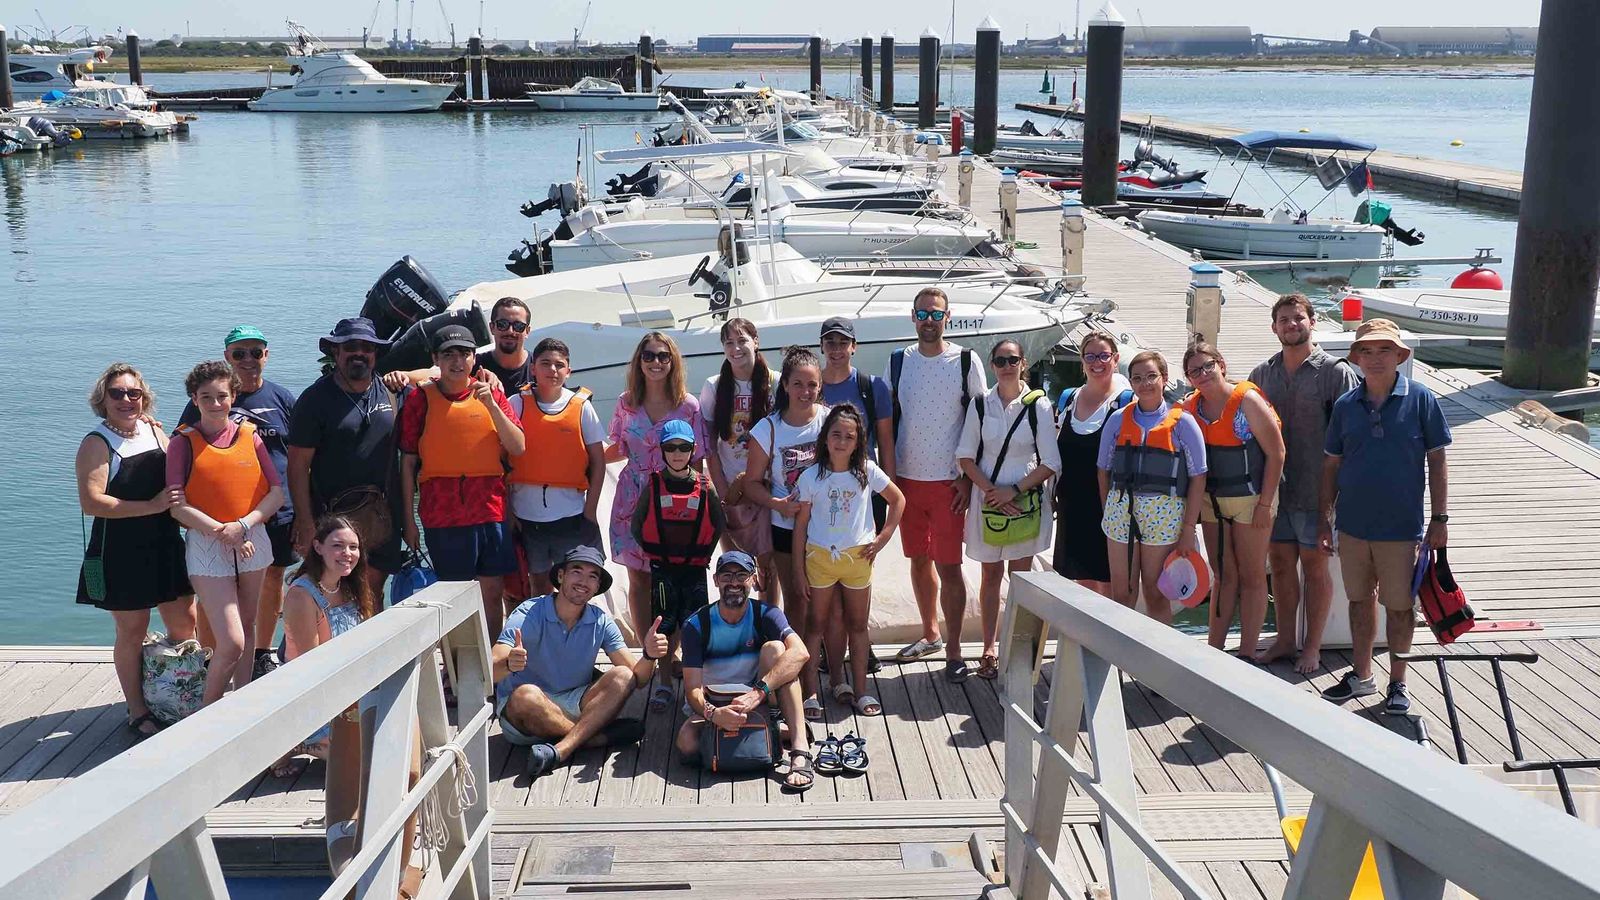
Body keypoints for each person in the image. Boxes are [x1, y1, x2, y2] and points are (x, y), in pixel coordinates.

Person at [1319, 319, 1451, 715]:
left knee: (1399, 607)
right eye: (1367, 351)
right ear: (1356, 358)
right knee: (1359, 601)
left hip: (1401, 528)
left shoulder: (1423, 399)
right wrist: (1325, 519)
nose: (1375, 358)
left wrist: (1440, 518)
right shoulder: (1345, 406)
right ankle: (1361, 676)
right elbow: (1331, 466)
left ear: (1399, 356)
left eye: (1384, 350)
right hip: (1354, 526)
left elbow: (1438, 460)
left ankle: (1398, 682)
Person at [75, 364, 196, 740]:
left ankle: (177, 691)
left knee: (184, 623)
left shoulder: (155, 430)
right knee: (132, 630)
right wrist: (153, 506)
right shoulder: (96, 443)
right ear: (103, 399)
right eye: (117, 393)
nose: (126, 400)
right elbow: (92, 502)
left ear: (144, 397)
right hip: (119, 549)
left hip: (164, 542)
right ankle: (138, 708)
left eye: (133, 393)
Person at [1249, 294, 1361, 673]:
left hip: (1319, 492)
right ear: (1273, 327)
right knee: (1280, 566)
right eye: (1283, 320)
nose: (1291, 325)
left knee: (1315, 569)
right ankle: (1284, 639)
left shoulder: (1334, 371)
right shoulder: (1261, 374)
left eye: (1298, 318)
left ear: (1312, 322)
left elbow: (1351, 435)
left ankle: (1311, 647)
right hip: (1276, 492)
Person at [179, 325, 298, 680]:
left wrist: (306, 511)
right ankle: (211, 656)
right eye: (239, 353)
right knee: (214, 588)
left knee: (273, 578)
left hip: (273, 509)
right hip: (218, 519)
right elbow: (183, 444)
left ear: (266, 355)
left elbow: (303, 454)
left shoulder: (282, 398)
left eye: (255, 352)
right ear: (227, 357)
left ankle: (260, 651)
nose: (248, 360)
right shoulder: (209, 398)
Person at [884, 287, 987, 679]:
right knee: (918, 560)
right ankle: (930, 634)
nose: (929, 321)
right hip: (908, 482)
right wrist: (889, 479)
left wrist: (967, 478)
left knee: (949, 566)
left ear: (949, 316)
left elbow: (980, 421)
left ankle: (956, 650)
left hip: (950, 483)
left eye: (936, 314)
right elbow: (888, 422)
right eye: (922, 314)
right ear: (913, 317)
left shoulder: (965, 360)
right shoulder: (897, 362)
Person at [397, 325, 526, 638]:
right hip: (443, 514)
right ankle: (456, 668)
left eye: (464, 354)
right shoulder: (420, 399)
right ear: (436, 359)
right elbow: (408, 462)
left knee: (491, 592)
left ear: (474, 358)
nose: (457, 361)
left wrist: (492, 405)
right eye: (449, 354)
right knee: (452, 597)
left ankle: (490, 661)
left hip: (489, 510)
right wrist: (408, 521)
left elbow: (518, 446)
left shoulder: (492, 392)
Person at [494, 546, 666, 779]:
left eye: (592, 576)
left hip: (576, 703)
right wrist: (508, 664)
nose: (583, 581)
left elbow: (638, 678)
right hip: (526, 716)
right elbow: (490, 670)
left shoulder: (600, 621)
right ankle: (597, 738)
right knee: (526, 695)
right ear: (561, 576)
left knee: (623, 675)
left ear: (597, 587)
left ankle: (561, 750)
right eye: (577, 571)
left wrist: (649, 655)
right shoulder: (529, 612)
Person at [956, 340, 1061, 679]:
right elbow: (966, 456)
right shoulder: (980, 405)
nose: (1006, 365)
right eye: (1000, 360)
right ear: (991, 365)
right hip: (988, 500)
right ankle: (989, 647)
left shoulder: (1038, 405)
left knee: (1021, 577)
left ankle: (1017, 646)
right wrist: (991, 491)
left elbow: (1051, 461)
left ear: (1023, 363)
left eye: (1012, 359)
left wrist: (1012, 491)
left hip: (1024, 499)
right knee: (990, 576)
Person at [792, 405, 904, 716]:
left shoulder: (867, 470)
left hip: (858, 558)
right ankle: (811, 693)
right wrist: (798, 572)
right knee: (816, 625)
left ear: (858, 441)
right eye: (836, 434)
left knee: (858, 624)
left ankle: (861, 691)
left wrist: (882, 538)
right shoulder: (810, 476)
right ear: (825, 438)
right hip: (820, 558)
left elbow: (898, 500)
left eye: (849, 436)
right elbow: (800, 527)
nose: (842, 441)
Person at [675, 550, 814, 792]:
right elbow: (692, 691)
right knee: (686, 743)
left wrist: (757, 693)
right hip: (715, 703)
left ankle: (800, 750)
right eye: (727, 576)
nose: (734, 583)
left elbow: (801, 652)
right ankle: (775, 731)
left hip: (758, 699)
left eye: (742, 575)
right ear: (716, 580)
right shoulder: (696, 625)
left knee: (779, 651)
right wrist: (715, 714)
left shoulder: (766, 613)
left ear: (753, 579)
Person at [287, 318, 407, 596]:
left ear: (375, 355)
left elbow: (440, 377)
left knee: (373, 589)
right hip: (331, 516)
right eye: (350, 347)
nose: (359, 353)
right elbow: (297, 465)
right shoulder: (315, 399)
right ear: (336, 353)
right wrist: (305, 522)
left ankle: (372, 640)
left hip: (383, 514)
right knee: (332, 590)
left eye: (367, 348)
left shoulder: (392, 391)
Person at [1181, 343, 1286, 660]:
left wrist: (1266, 504)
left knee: (1253, 575)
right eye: (1194, 371)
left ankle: (1247, 653)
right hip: (1213, 501)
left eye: (1207, 366)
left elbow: (1277, 453)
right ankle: (1215, 650)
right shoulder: (1189, 409)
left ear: (1221, 364)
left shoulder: (1248, 401)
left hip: (1252, 499)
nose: (1203, 375)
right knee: (1223, 574)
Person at [606, 332, 710, 643]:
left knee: (672, 578)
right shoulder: (627, 402)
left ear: (673, 361)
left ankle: (673, 650)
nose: (655, 362)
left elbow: (698, 460)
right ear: (639, 361)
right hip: (632, 498)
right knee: (639, 580)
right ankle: (647, 651)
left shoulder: (687, 405)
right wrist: (579, 458)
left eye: (663, 356)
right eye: (649, 355)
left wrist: (698, 505)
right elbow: (618, 447)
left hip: (672, 500)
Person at [1096, 351, 1207, 625]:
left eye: (1151, 377)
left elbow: (1198, 477)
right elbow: (1103, 469)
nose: (1144, 383)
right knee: (1122, 594)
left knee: (1156, 593)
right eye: (1137, 378)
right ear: (1131, 383)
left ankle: (1158, 662)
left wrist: (1188, 529)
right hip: (1120, 512)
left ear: (1164, 379)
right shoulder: (1117, 419)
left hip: (1164, 515)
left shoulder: (1183, 423)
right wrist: (1108, 509)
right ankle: (1120, 658)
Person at [631, 419, 725, 707]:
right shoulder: (653, 485)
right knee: (662, 625)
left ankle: (693, 689)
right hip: (663, 570)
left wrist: (703, 555)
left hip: (695, 569)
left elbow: (718, 525)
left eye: (684, 448)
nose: (677, 453)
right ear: (662, 451)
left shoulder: (705, 486)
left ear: (693, 450)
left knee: (694, 625)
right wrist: (655, 553)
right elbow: (637, 526)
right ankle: (664, 684)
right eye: (671, 448)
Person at [507, 338, 607, 597]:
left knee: (574, 586)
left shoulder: (582, 407)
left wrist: (591, 509)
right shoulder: (516, 404)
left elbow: (598, 461)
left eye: (559, 365)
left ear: (568, 371)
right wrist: (508, 511)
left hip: (571, 517)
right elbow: (501, 461)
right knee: (538, 584)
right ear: (533, 368)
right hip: (527, 519)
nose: (552, 370)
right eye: (545, 363)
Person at [744, 346, 828, 653]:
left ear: (820, 386)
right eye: (798, 384)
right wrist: (778, 505)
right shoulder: (768, 428)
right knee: (796, 598)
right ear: (786, 386)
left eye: (812, 385)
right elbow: (751, 484)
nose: (805, 392)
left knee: (827, 598)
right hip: (785, 528)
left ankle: (824, 662)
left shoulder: (830, 422)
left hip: (827, 528)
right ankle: (797, 662)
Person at [699, 318, 779, 602]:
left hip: (767, 487)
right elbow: (708, 442)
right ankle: (737, 624)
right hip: (728, 489)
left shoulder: (775, 381)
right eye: (729, 342)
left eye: (742, 340)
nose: (736, 348)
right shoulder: (714, 385)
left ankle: (769, 628)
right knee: (735, 566)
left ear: (755, 341)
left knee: (768, 568)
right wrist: (721, 489)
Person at [1053, 332, 1134, 598]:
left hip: (1107, 504)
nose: (1097, 362)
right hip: (1071, 503)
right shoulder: (1067, 399)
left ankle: (1108, 638)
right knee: (1081, 580)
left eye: (1103, 356)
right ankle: (1086, 639)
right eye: (1090, 356)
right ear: (1082, 361)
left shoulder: (1125, 402)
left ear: (1115, 359)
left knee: (1109, 578)